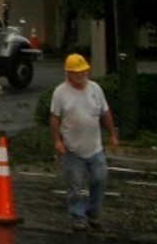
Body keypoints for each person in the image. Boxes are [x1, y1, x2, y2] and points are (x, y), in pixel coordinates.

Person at [50, 53, 118, 232]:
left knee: (100, 179)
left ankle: (93, 212)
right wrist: (57, 140)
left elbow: (105, 112)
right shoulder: (60, 93)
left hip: (95, 147)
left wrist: (112, 134)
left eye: (84, 71)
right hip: (73, 149)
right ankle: (78, 216)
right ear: (69, 73)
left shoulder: (95, 89)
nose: (82, 75)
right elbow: (55, 118)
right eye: (78, 72)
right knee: (75, 186)